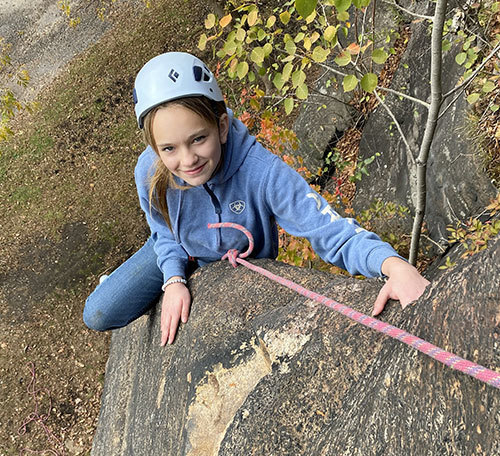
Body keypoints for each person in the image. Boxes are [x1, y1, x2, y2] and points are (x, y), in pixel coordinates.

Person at [83, 52, 429, 345]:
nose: (187, 160)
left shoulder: (262, 173)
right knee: (98, 313)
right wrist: (173, 279)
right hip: (179, 250)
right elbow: (164, 231)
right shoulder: (150, 171)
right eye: (169, 148)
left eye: (198, 139)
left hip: (238, 265)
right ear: (154, 147)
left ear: (220, 126)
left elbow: (328, 229)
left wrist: (393, 265)